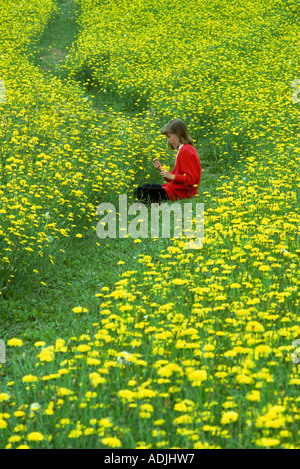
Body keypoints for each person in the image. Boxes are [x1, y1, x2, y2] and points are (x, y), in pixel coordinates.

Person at [134, 119, 201, 203]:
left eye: (169, 137)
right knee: (145, 187)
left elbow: (191, 180)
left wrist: (172, 176)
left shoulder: (186, 151)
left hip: (182, 193)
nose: (168, 140)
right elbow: (174, 178)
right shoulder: (184, 149)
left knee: (140, 191)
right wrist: (161, 170)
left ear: (178, 134)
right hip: (176, 189)